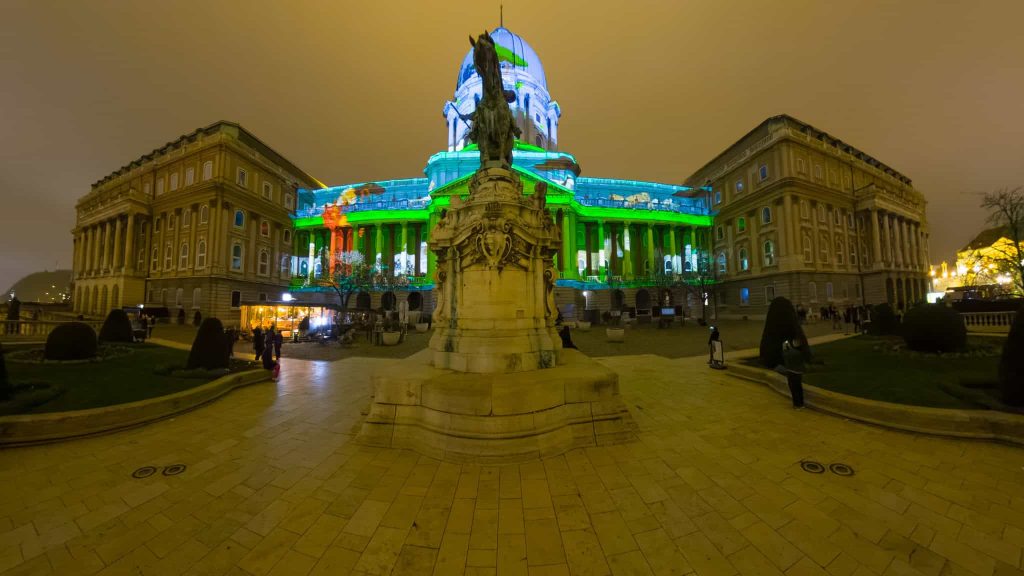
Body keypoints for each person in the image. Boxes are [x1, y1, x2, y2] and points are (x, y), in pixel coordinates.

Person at [777, 338, 806, 408]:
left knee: (794, 389)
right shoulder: (798, 353)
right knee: (799, 388)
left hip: (791, 373)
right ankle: (801, 404)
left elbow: (783, 357)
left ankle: (797, 405)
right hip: (799, 373)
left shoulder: (786, 354)